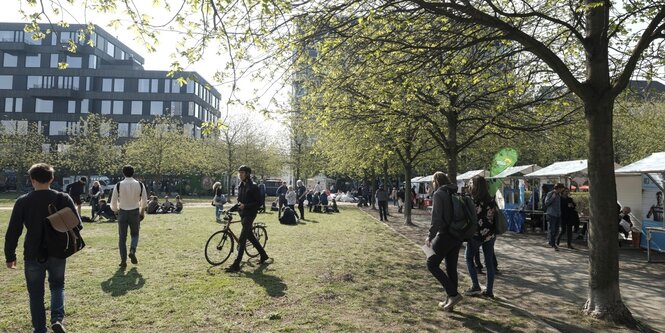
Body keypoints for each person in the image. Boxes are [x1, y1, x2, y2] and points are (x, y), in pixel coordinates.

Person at [4, 163, 79, 333]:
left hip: (33, 252)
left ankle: (39, 328)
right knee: (58, 286)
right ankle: (57, 319)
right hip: (58, 250)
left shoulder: (23, 201)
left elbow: (13, 231)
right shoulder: (63, 198)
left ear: (32, 180)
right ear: (52, 179)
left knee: (35, 293)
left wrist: (10, 255)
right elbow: (77, 224)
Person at [425, 172, 464, 312]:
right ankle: (450, 302)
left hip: (445, 234)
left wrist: (430, 236)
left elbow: (437, 218)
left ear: (436, 181)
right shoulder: (455, 192)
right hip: (457, 235)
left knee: (431, 264)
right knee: (451, 268)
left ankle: (453, 295)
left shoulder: (438, 194)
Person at [226, 165, 270, 272]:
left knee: (242, 239)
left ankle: (236, 264)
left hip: (250, 214)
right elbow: (239, 202)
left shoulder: (253, 186)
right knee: (250, 236)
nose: (240, 175)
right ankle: (263, 255)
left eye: (242, 173)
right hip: (243, 214)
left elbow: (259, 203)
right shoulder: (241, 185)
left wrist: (246, 206)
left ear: (247, 174)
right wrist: (230, 209)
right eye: (239, 173)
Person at [464, 175, 498, 298]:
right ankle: (489, 291)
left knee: (468, 258)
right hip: (490, 235)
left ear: (476, 185)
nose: (469, 185)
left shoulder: (473, 200)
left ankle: (475, 285)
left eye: (471, 183)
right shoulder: (491, 199)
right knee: (489, 263)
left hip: (476, 235)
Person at [110, 165, 148, 268]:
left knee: (122, 238)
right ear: (133, 172)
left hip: (122, 211)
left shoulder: (119, 185)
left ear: (123, 173)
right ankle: (132, 249)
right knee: (135, 234)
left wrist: (116, 210)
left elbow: (113, 201)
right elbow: (144, 200)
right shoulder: (139, 184)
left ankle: (123, 260)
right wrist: (142, 211)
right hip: (135, 211)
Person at [544, 183, 565, 251]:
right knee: (552, 229)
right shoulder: (550, 193)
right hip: (551, 214)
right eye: (562, 188)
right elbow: (546, 203)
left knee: (556, 230)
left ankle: (551, 242)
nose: (562, 190)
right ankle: (553, 244)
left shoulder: (559, 195)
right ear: (558, 188)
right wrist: (552, 197)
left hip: (558, 214)